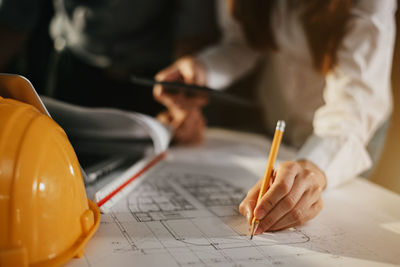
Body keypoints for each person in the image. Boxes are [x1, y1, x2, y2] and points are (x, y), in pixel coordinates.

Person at [153, 0, 397, 234]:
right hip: (279, 116)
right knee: (285, 193)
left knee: (337, 216)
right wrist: (202, 69)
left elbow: (355, 102)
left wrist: (316, 166)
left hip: (348, 135)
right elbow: (244, 42)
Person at [0, 0, 218, 115]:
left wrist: (185, 102)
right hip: (72, 69)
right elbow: (14, 17)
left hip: (153, 83)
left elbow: (193, 29)